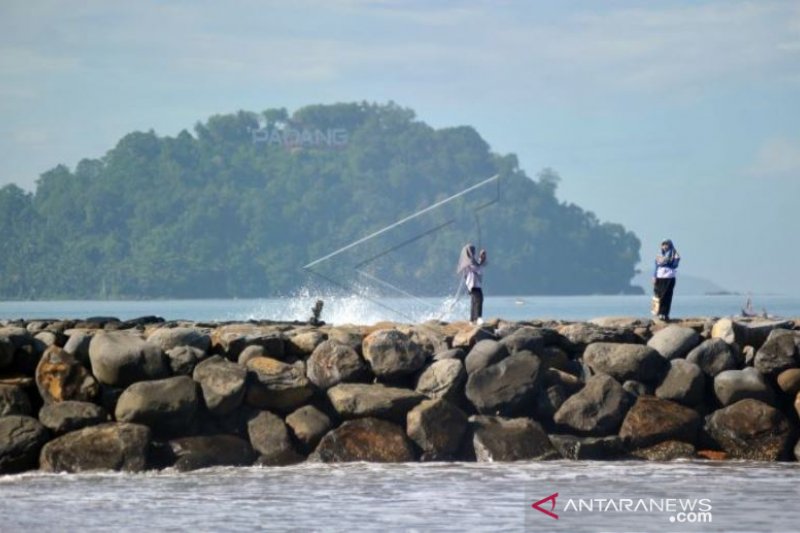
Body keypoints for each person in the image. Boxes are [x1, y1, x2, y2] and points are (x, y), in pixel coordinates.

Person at [457, 243, 487, 324]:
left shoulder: (472, 261)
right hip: (473, 285)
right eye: (472, 250)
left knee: (474, 301)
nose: (474, 252)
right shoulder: (468, 262)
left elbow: (478, 265)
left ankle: (472, 319)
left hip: (475, 285)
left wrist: (482, 258)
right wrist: (481, 258)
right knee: (479, 299)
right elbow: (477, 268)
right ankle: (478, 318)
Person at [653, 239, 680, 321]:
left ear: (670, 245)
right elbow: (656, 266)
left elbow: (675, 265)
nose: (665, 246)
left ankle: (664, 313)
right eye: (663, 245)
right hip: (659, 277)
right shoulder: (659, 255)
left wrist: (667, 262)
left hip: (669, 277)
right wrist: (654, 276)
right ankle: (657, 312)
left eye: (666, 245)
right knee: (658, 295)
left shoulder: (674, 254)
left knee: (666, 296)